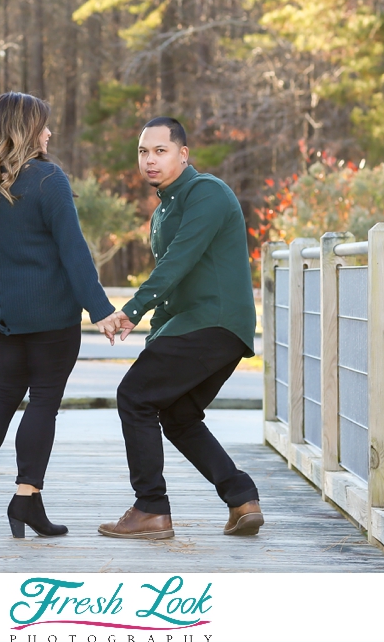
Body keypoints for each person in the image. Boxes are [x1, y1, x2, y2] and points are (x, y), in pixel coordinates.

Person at [0, 92, 121, 538]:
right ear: (26, 130)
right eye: (43, 125)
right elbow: (73, 252)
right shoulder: (48, 179)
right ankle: (26, 498)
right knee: (43, 400)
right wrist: (101, 310)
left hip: (4, 311)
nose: (49, 132)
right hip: (49, 313)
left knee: (3, 395)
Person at [98, 117, 263, 540]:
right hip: (200, 325)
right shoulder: (165, 208)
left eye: (160, 150)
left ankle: (150, 508)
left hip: (215, 322)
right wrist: (156, 332)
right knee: (178, 415)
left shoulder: (205, 192)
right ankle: (241, 497)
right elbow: (174, 285)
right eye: (143, 152)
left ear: (183, 154)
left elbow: (179, 262)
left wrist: (132, 310)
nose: (150, 160)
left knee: (134, 396)